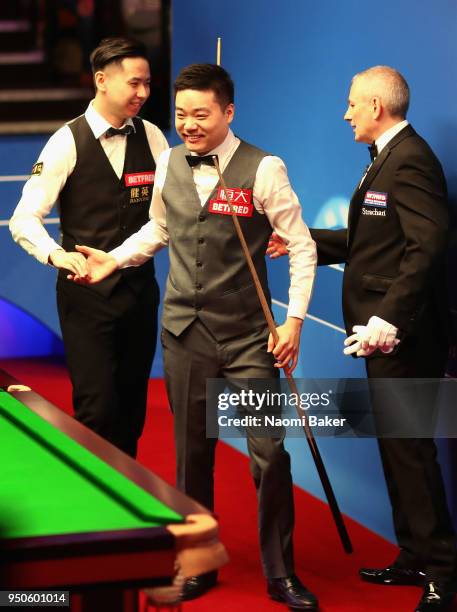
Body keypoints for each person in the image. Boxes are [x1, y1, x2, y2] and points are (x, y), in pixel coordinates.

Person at [68, 63, 319, 609]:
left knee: (268, 454)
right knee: (191, 455)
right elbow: (159, 228)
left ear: (228, 112)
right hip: (184, 330)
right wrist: (112, 260)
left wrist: (294, 320)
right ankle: (199, 563)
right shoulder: (169, 164)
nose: (189, 125)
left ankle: (281, 572)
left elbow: (300, 244)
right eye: (180, 114)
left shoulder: (264, 168)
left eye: (201, 114)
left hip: (251, 336)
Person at [268, 66, 457, 611]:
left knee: (412, 451)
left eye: (352, 103)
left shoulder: (412, 160)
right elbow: (372, 241)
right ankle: (415, 555)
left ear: (376, 106)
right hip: (378, 338)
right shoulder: (387, 158)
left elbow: (428, 245)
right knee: (396, 450)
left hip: (401, 337)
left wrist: (389, 320)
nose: (346, 112)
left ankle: (443, 570)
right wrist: (301, 238)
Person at [9, 36, 168, 458]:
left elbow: (168, 215)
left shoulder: (153, 137)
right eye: (135, 84)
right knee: (97, 411)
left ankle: (132, 510)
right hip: (86, 297)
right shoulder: (66, 141)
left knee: (133, 411)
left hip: (139, 292)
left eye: (148, 84)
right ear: (102, 80)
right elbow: (24, 218)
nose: (143, 93)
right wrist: (55, 255)